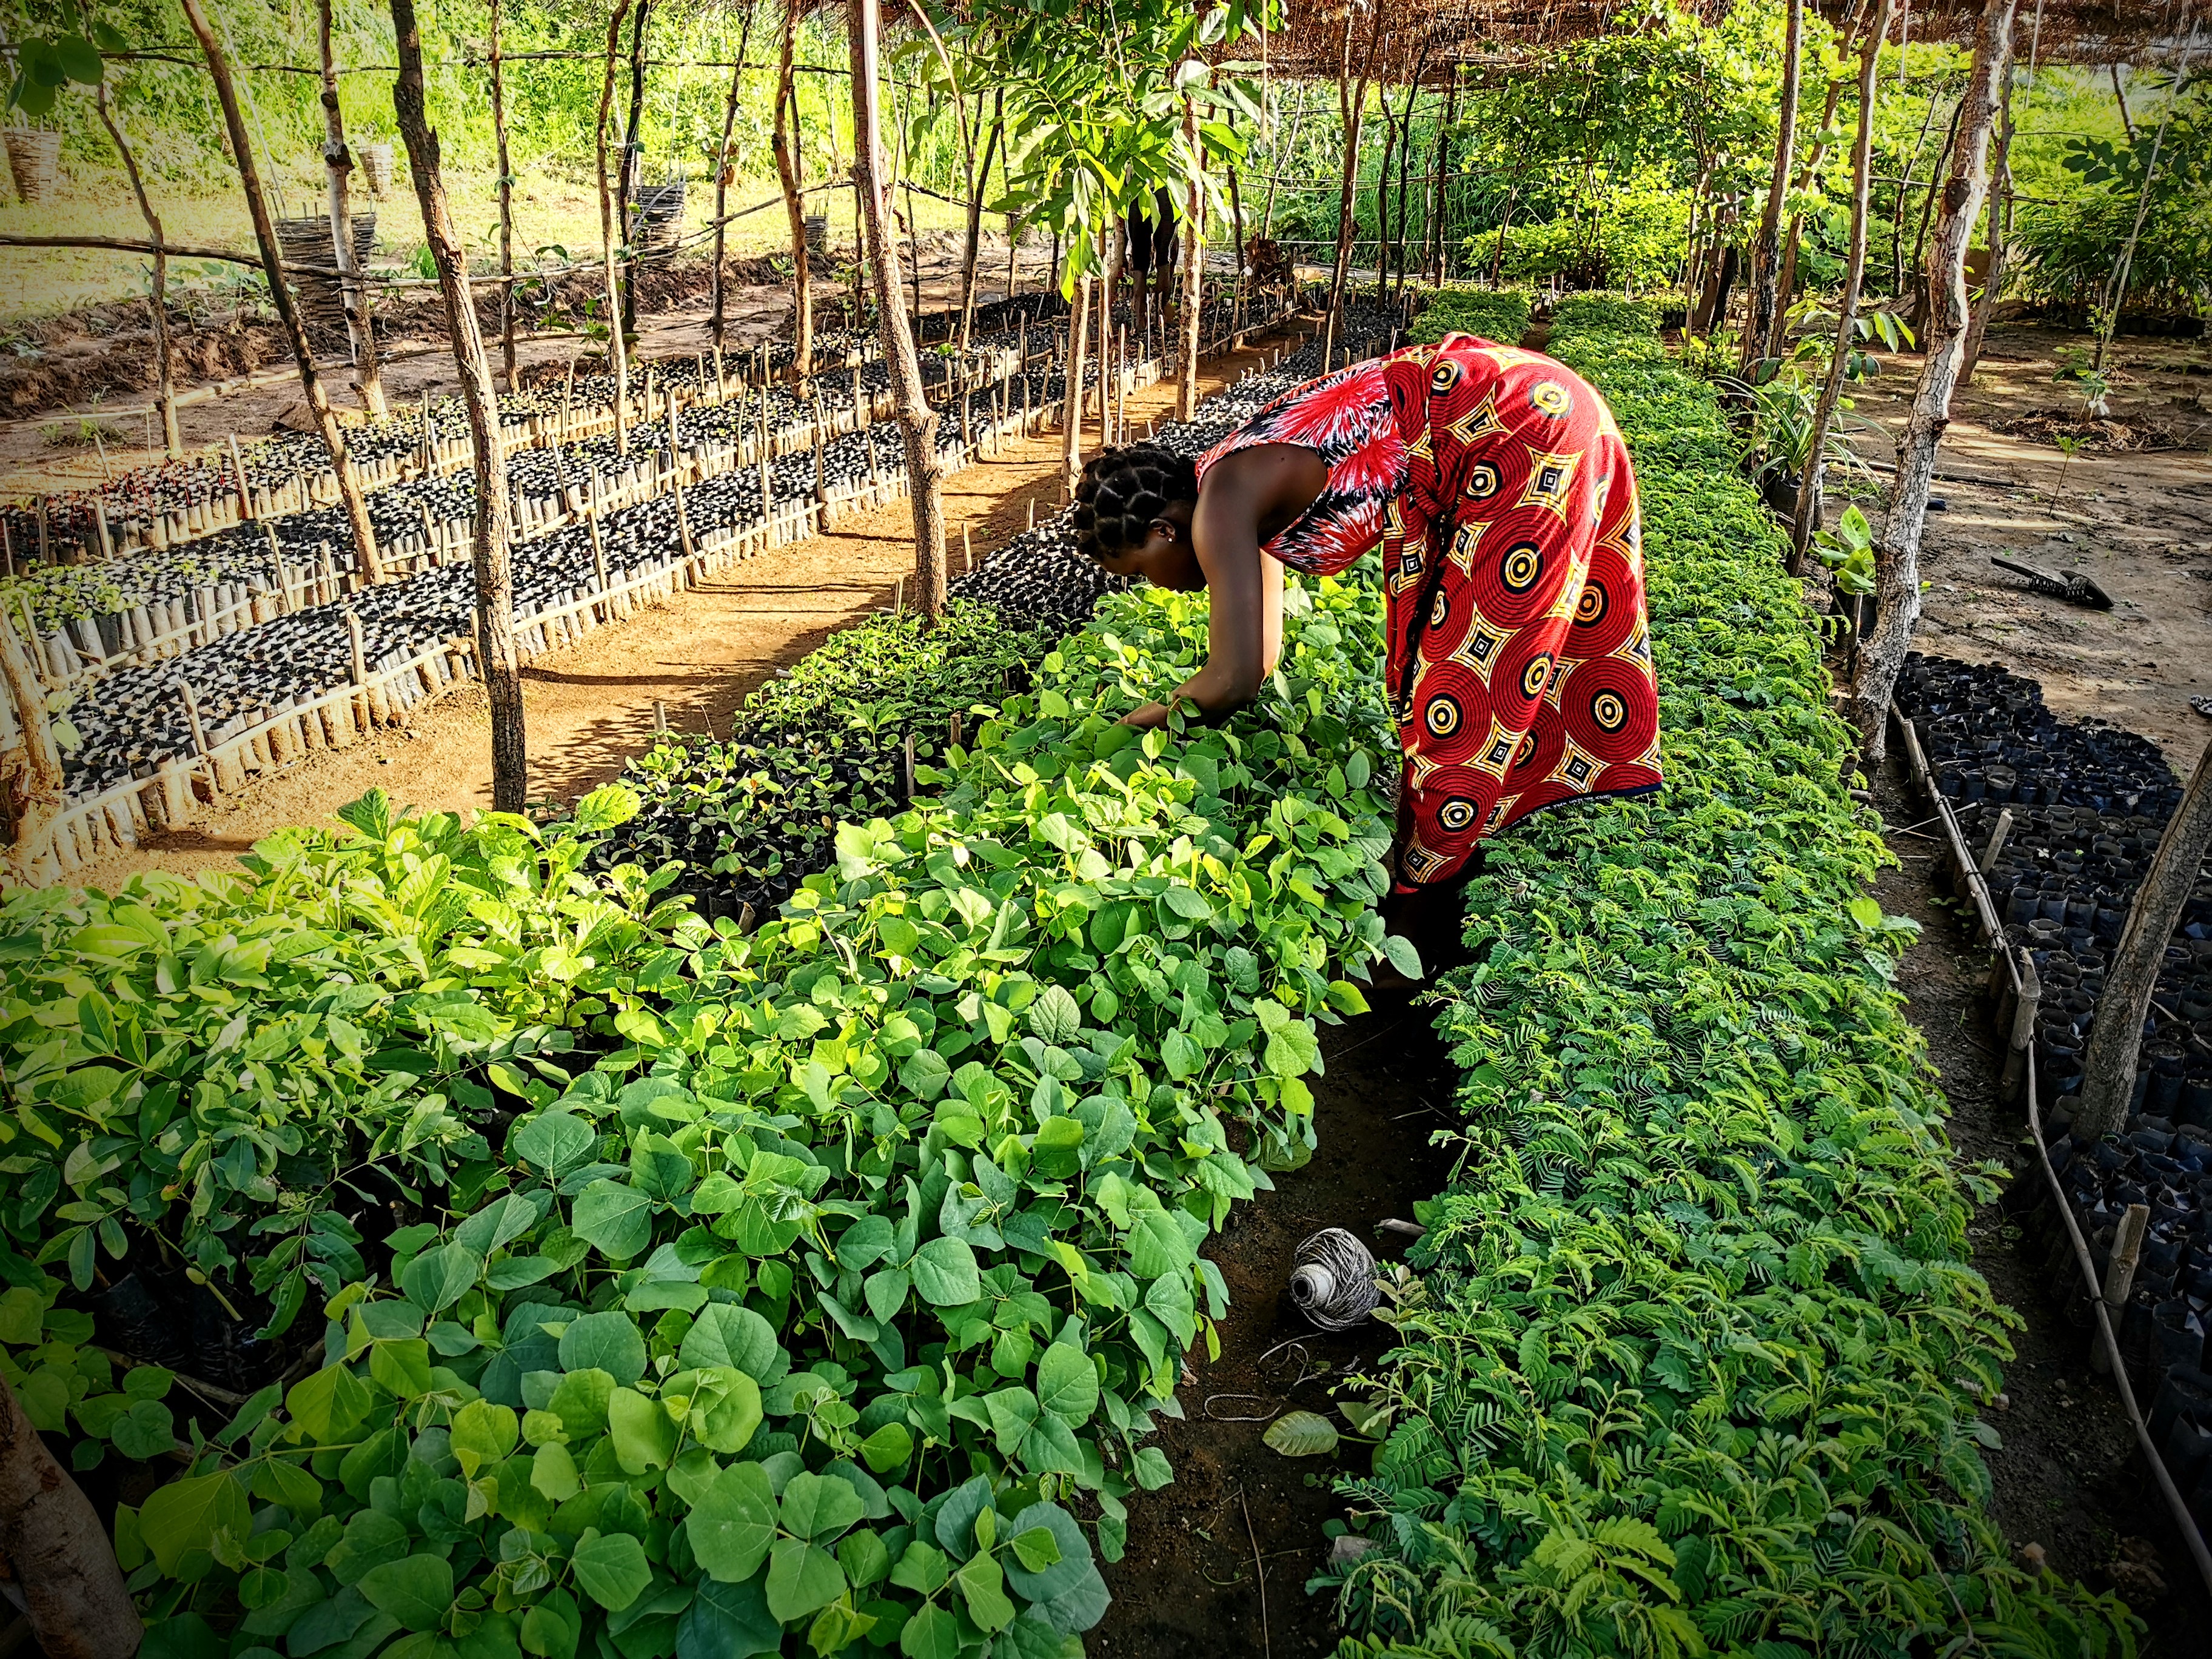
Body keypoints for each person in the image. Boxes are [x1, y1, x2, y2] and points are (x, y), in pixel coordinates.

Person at [1071, 332, 1661, 973]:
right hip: (1520, 412)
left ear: (1163, 531)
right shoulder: (1233, 480)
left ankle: (1413, 931)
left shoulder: (1220, 508)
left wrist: (1142, 724)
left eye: (1139, 571)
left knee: (1463, 701)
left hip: (1518, 434)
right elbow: (1259, 661)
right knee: (1457, 679)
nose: (1155, 586)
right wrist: (1183, 710)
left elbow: (1233, 678)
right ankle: (1453, 869)